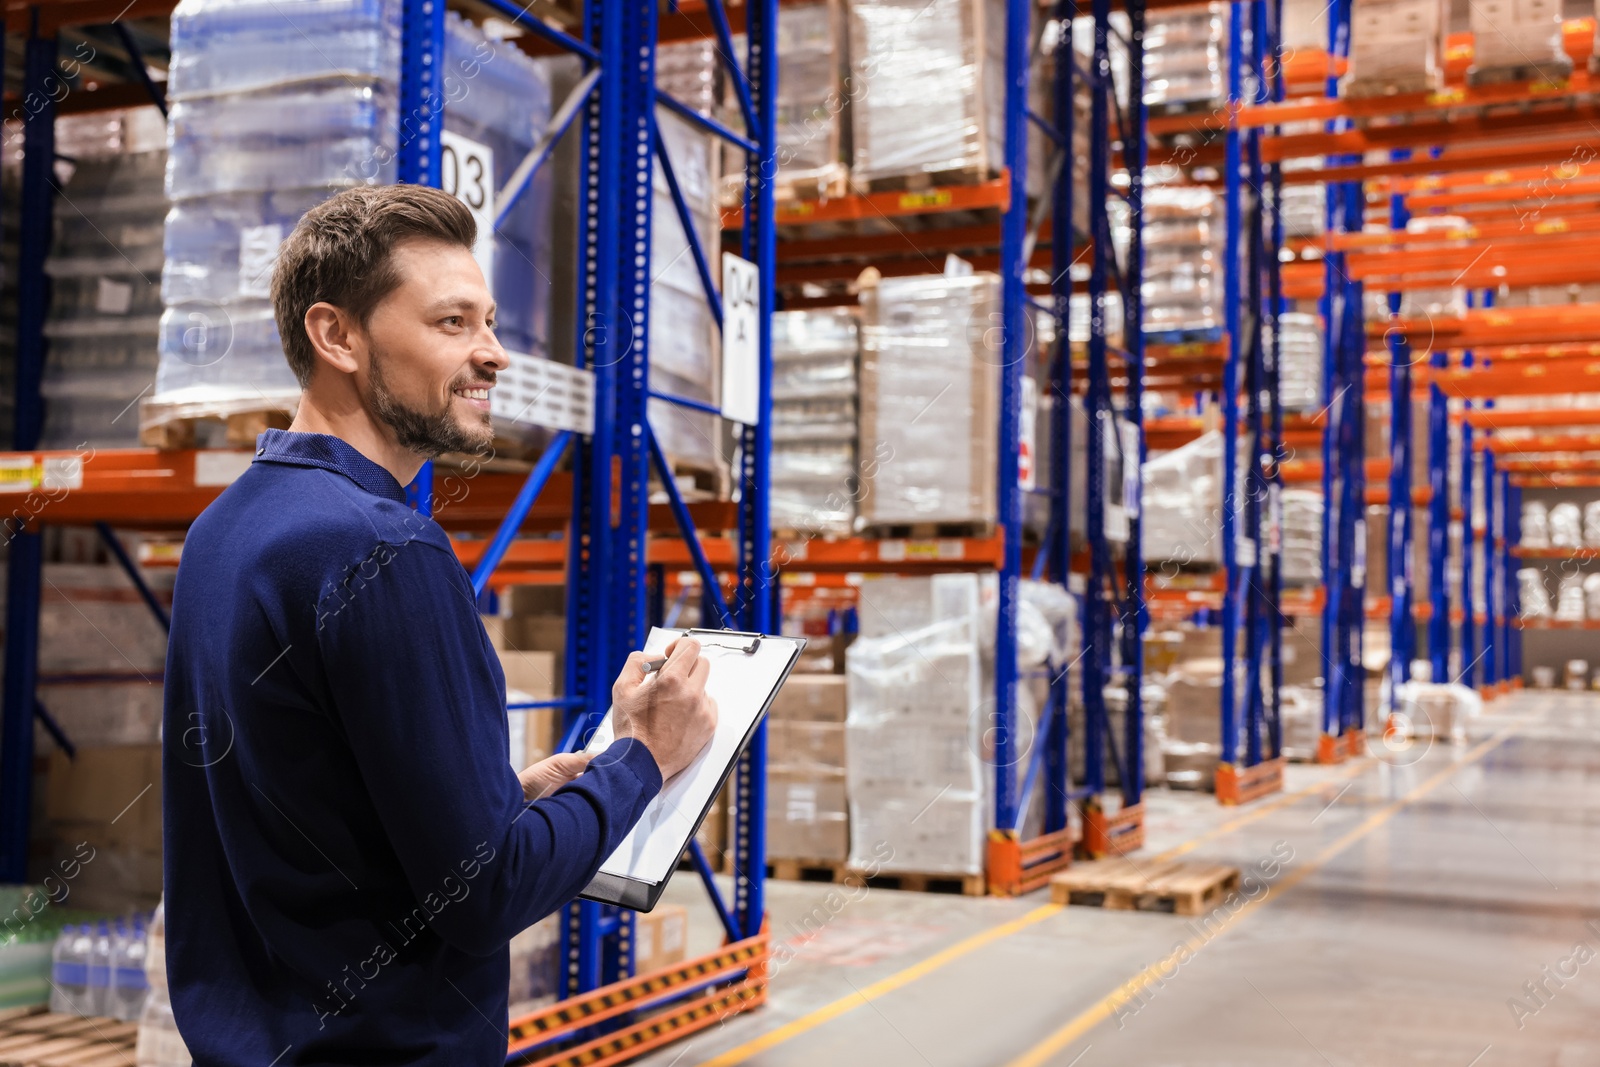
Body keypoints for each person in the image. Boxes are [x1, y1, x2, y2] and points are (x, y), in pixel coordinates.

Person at [161, 184, 718, 1066]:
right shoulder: (384, 548)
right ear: (336, 335)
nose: (493, 354)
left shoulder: (224, 530)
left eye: (489, 322)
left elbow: (310, 803)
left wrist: (510, 797)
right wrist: (643, 758)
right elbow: (484, 895)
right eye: (452, 323)